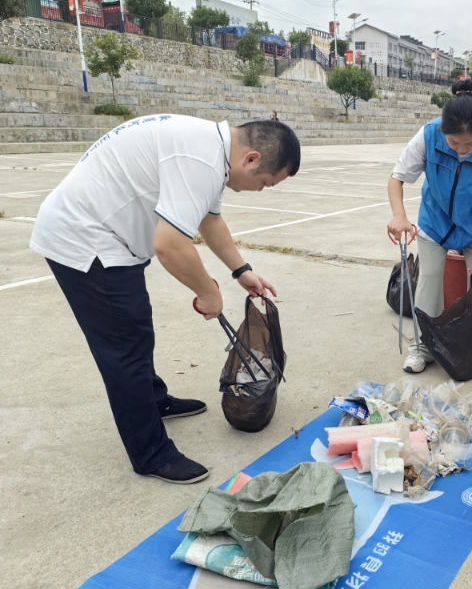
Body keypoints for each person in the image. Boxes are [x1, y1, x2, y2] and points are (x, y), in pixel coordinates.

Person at [29, 115, 301, 484]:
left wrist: (241, 270)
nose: (261, 190)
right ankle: (150, 453)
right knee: (124, 348)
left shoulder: (213, 151)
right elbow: (170, 244)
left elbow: (210, 221)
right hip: (85, 241)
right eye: (266, 183)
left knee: (136, 331)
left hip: (110, 236)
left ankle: (154, 400)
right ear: (251, 159)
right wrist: (208, 293)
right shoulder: (202, 160)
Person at [387, 79, 472, 375]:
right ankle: (423, 348)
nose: (461, 150)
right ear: (443, 131)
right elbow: (397, 177)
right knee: (429, 279)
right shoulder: (428, 135)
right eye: (454, 143)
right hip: (435, 220)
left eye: (470, 144)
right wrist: (399, 215)